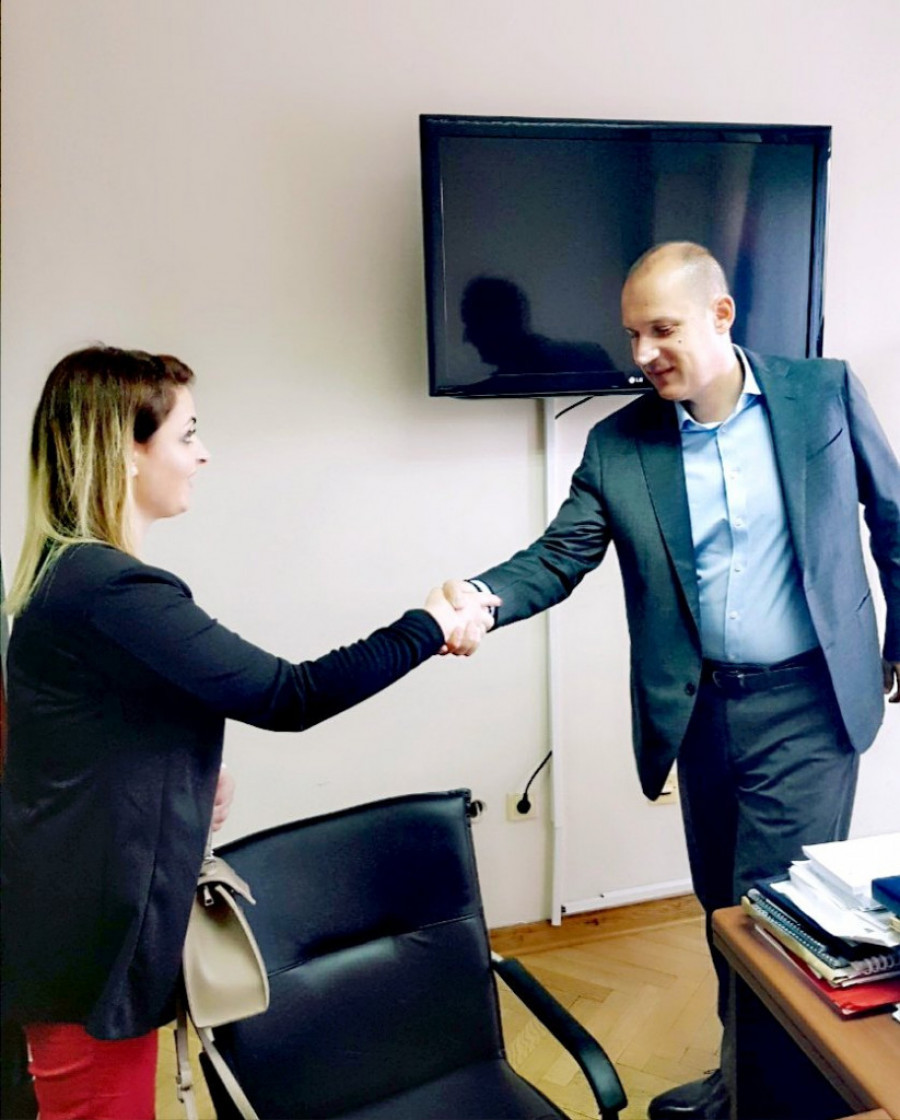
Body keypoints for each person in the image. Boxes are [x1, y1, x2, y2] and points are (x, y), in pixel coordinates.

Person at [443, 242, 900, 1120]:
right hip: (701, 715)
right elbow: (559, 554)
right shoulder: (621, 443)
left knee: (772, 920)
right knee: (724, 909)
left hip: (808, 705)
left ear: (721, 315)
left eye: (662, 329)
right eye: (632, 335)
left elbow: (893, 515)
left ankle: (773, 1103)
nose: (644, 353)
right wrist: (482, 598)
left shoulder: (823, 393)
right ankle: (741, 1080)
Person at [0, 345, 497, 1120]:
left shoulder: (69, 576)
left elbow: (88, 734)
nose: (203, 454)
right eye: (187, 434)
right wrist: (428, 624)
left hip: (76, 926)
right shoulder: (110, 589)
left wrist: (188, 768)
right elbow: (288, 694)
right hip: (81, 945)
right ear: (127, 450)